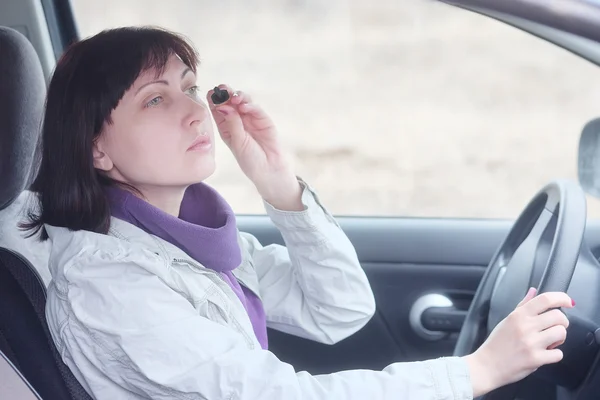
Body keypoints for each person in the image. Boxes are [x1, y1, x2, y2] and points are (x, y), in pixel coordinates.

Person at [25, 26, 574, 400]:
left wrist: (279, 183)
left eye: (191, 88)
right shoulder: (109, 280)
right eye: (155, 99)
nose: (196, 112)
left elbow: (339, 309)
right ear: (96, 149)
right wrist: (474, 372)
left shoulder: (186, 238)